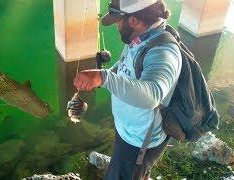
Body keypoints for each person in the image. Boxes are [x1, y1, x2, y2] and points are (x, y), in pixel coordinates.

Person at [73, 0, 182, 179]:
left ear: (133, 20)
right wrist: (102, 76)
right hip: (129, 132)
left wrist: (104, 78)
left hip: (140, 143)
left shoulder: (163, 51)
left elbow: (153, 94)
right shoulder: (141, 37)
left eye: (117, 19)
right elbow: (125, 66)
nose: (115, 24)